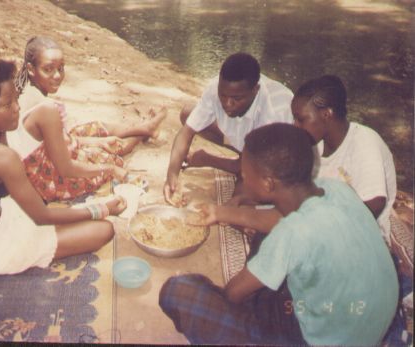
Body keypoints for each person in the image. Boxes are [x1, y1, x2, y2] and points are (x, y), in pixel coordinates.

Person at [160, 123, 399, 345]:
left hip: (319, 340)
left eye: (244, 175)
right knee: (270, 239)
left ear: (267, 183)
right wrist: (219, 213)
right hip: (365, 326)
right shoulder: (337, 189)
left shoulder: (290, 234)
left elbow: (233, 294)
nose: (242, 179)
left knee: (179, 292)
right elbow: (277, 218)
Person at [0, 60, 127, 275]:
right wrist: (102, 209)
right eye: (8, 105)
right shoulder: (1, 158)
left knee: (40, 209)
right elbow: (42, 216)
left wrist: (3, 130)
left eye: (16, 99)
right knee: (103, 229)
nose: (17, 108)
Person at [224, 75, 398, 238]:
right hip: (319, 218)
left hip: (356, 235)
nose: (295, 125)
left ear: (326, 114)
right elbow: (295, 191)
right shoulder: (315, 144)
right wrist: (252, 198)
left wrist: (314, 229)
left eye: (301, 119)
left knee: (272, 241)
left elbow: (374, 204)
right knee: (256, 220)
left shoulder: (364, 142)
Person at [8, 36, 166, 203]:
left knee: (96, 128)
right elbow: (66, 168)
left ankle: (143, 129)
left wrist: (95, 141)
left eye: (61, 68)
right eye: (48, 69)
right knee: (108, 157)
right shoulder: (45, 109)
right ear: (31, 69)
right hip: (45, 179)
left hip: (45, 156)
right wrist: (110, 169)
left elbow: (58, 140)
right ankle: (142, 133)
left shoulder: (23, 88)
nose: (57, 75)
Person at [163, 52, 293, 205]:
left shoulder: (274, 114)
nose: (227, 104)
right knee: (188, 114)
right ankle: (235, 156)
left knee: (240, 203)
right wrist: (172, 175)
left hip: (275, 161)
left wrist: (209, 160)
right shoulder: (216, 89)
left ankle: (209, 158)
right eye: (223, 95)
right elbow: (186, 132)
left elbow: (256, 169)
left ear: (255, 90)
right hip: (248, 144)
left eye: (236, 99)